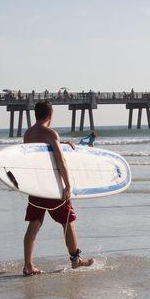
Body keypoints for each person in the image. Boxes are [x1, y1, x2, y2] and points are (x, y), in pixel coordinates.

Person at [21, 101, 94, 275]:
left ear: (36, 115)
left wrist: (60, 144)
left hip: (36, 186)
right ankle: (76, 260)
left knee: (34, 223)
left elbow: (41, 155)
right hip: (52, 187)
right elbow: (60, 160)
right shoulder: (51, 133)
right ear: (50, 115)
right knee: (68, 221)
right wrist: (68, 184)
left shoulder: (28, 134)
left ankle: (28, 265)